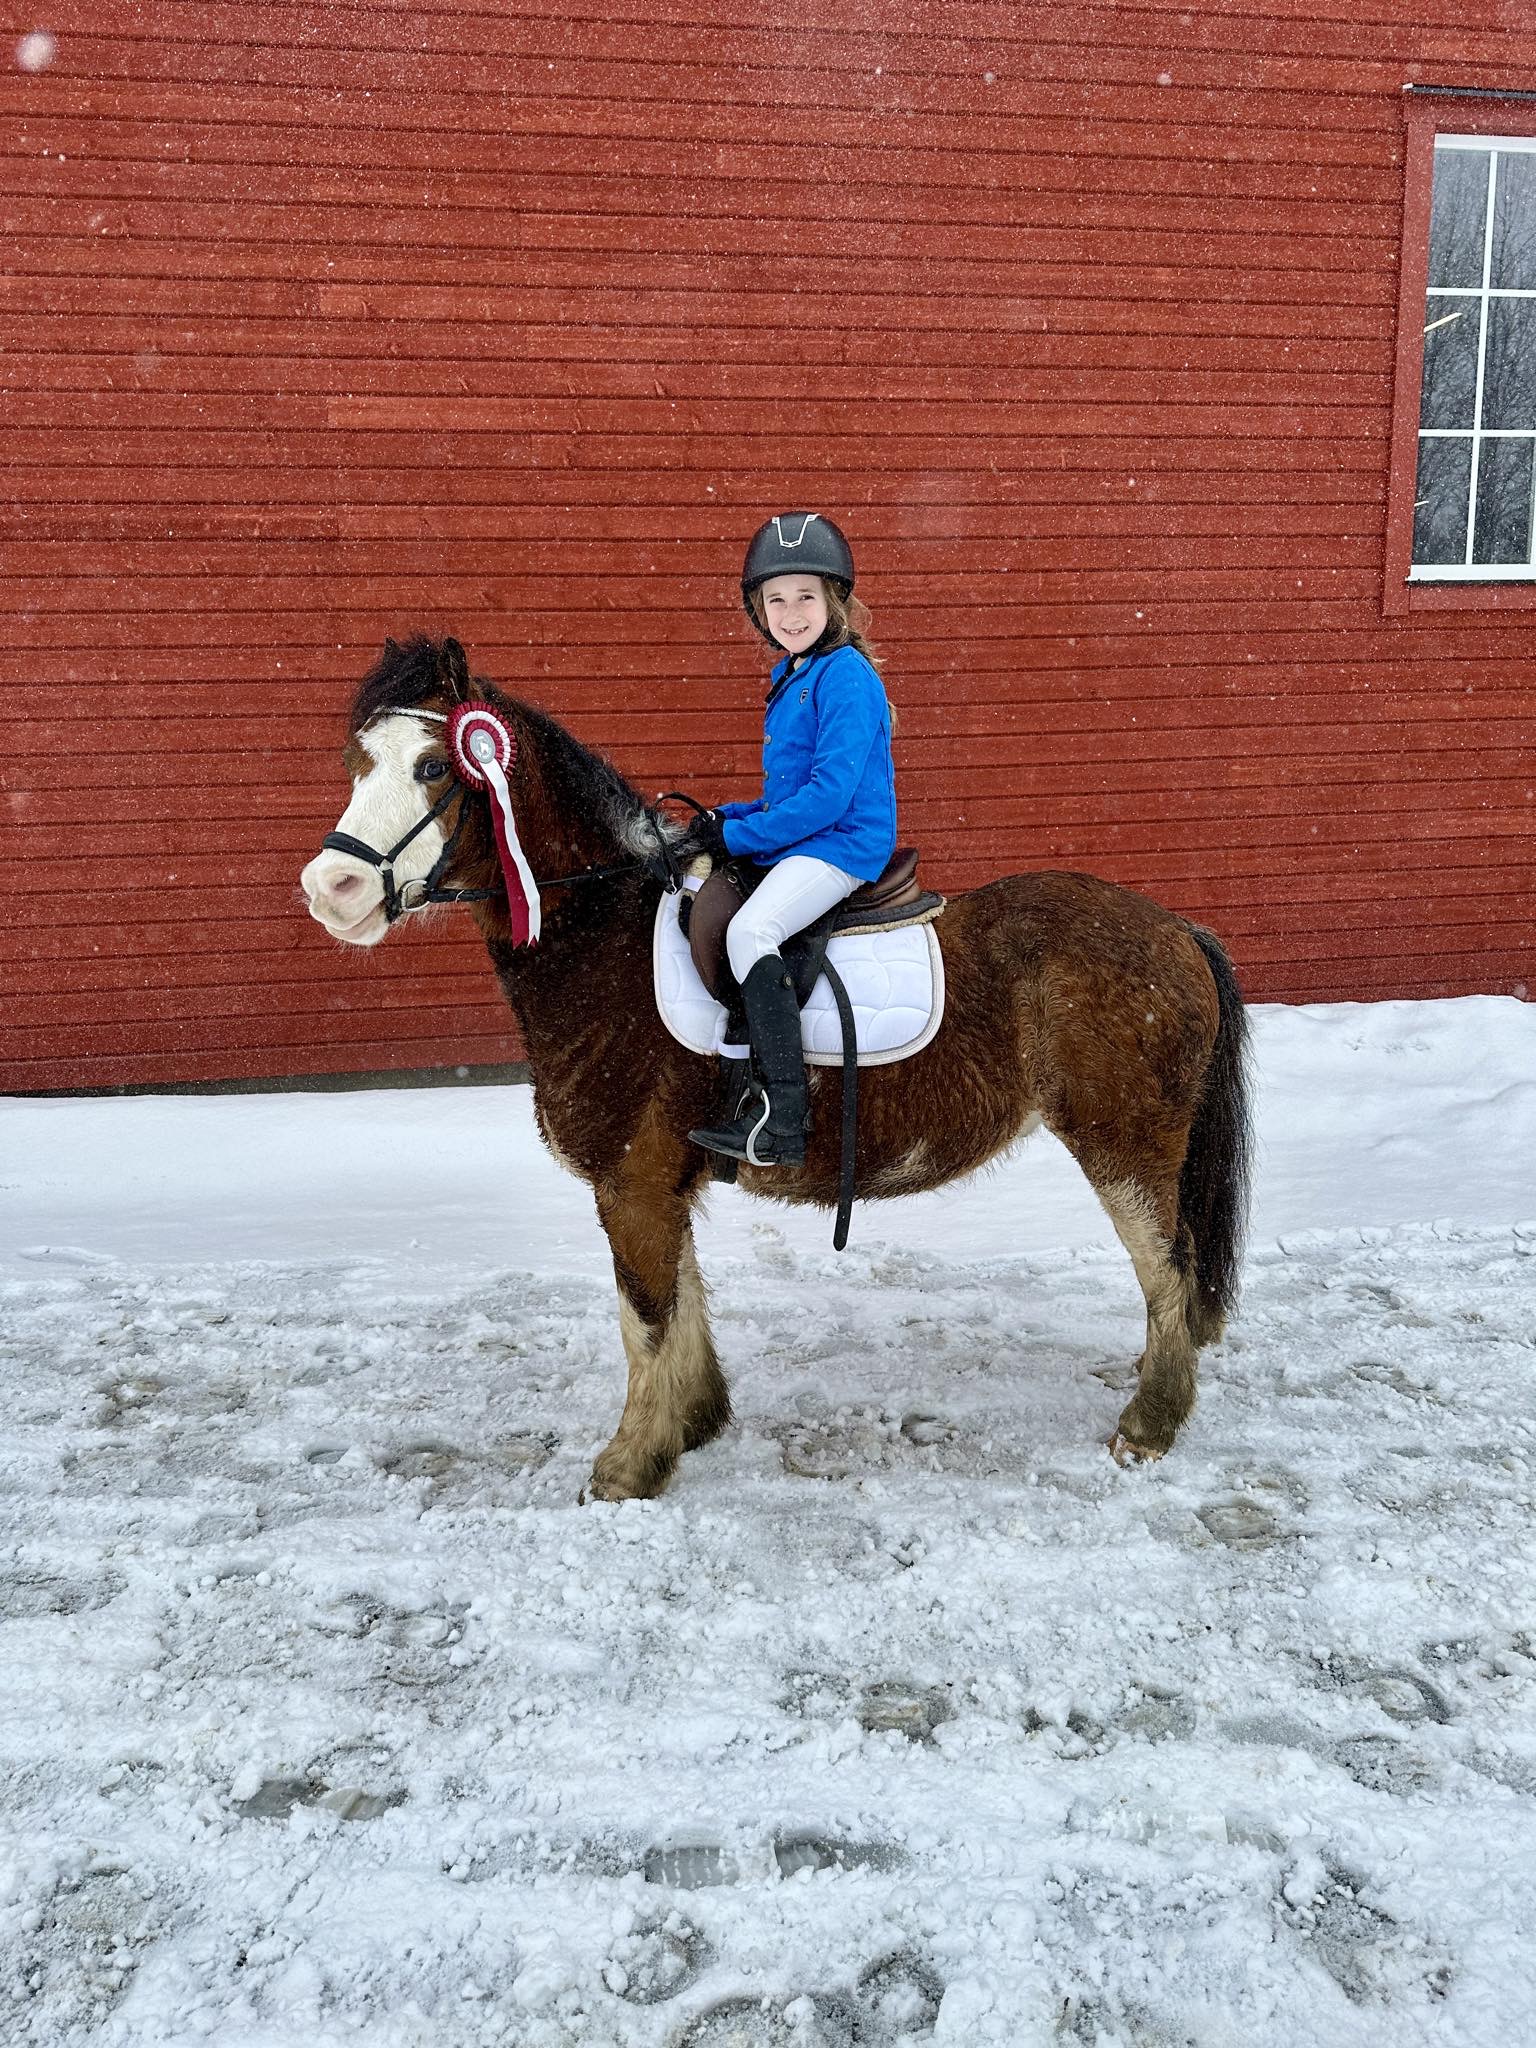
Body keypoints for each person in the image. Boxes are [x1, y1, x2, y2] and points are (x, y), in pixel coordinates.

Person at [678, 512, 897, 1169]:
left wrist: (741, 835)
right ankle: (739, 1091)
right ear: (759, 611)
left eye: (806, 596)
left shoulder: (845, 675)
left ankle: (784, 1120)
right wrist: (726, 818)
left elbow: (829, 796)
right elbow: (787, 797)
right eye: (776, 599)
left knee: (750, 934)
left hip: (844, 844)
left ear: (834, 600)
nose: (791, 612)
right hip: (809, 835)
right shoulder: (794, 675)